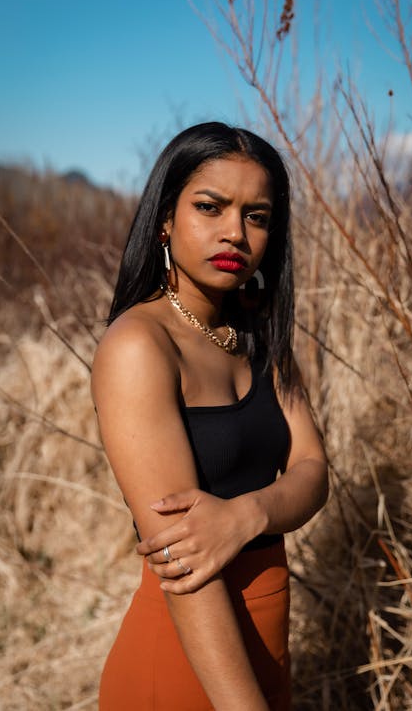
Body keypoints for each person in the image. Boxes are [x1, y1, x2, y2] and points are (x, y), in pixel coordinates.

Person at [92, 122, 328, 710]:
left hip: (270, 636)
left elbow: (314, 471)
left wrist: (247, 514)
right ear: (165, 219)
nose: (235, 233)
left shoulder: (254, 331)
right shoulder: (138, 346)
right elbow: (182, 560)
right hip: (186, 655)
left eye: (257, 215)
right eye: (210, 206)